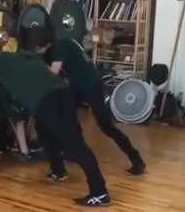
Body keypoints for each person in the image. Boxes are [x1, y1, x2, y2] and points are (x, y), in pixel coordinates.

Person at [0, 34, 111, 207]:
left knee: (75, 145)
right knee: (43, 131)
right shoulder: (24, 56)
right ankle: (58, 170)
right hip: (63, 93)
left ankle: (99, 192)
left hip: (48, 101)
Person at [34, 33, 146, 175]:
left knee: (106, 126)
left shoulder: (58, 47)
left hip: (90, 85)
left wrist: (34, 71)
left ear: (43, 45)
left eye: (36, 49)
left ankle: (137, 160)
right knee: (67, 117)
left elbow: (53, 73)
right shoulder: (66, 41)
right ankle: (70, 154)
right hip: (80, 85)